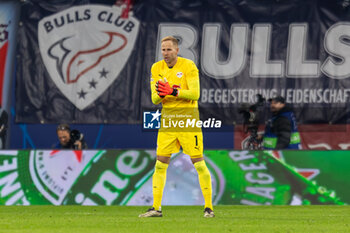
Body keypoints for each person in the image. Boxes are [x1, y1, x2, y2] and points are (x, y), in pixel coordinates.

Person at [139, 36, 214, 218]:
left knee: (198, 163)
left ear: (177, 50)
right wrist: (163, 91)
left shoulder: (188, 66)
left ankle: (208, 208)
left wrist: (172, 91)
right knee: (160, 164)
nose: (165, 53)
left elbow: (195, 94)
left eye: (169, 49)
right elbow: (155, 98)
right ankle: (156, 208)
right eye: (163, 50)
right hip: (168, 122)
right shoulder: (156, 68)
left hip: (188, 120)